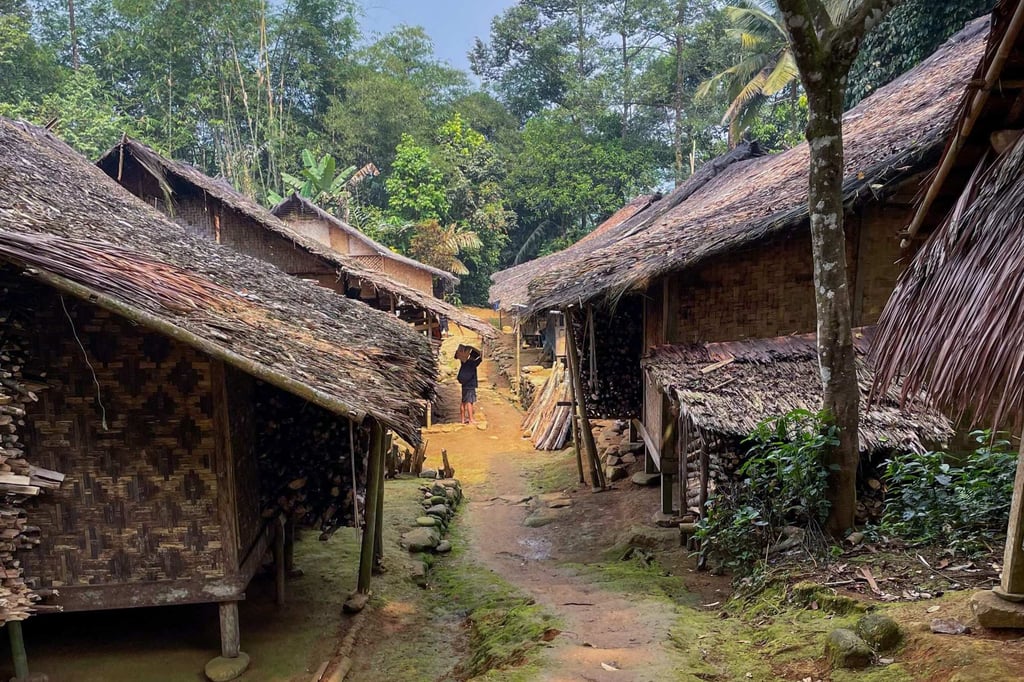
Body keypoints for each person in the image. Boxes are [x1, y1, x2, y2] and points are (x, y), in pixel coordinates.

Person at [455, 344, 482, 424]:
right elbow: (480, 360)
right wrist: (481, 354)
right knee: (469, 402)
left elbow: (458, 356)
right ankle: (471, 419)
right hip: (470, 385)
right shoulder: (473, 363)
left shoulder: (464, 362)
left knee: (463, 402)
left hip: (464, 385)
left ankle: (463, 420)